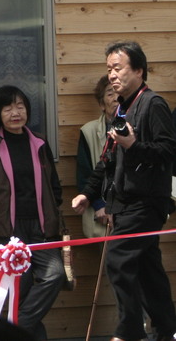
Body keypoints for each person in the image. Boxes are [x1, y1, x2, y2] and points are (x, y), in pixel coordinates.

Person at [72, 41, 176, 341]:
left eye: (118, 68)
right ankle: (167, 328)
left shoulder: (153, 104)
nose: (113, 75)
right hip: (124, 202)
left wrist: (134, 146)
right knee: (147, 269)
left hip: (146, 202)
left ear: (139, 71)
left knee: (118, 259)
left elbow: (168, 151)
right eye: (109, 69)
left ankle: (129, 330)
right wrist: (88, 194)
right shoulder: (122, 107)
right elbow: (107, 158)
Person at [0, 85, 65, 341]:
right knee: (24, 285)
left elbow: (54, 184)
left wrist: (54, 206)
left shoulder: (40, 143)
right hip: (10, 232)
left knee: (54, 275)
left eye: (20, 106)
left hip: (42, 228)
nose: (15, 112)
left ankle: (15, 332)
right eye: (8, 107)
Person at [77, 75, 119, 238]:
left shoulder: (139, 128)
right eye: (110, 93)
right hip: (102, 212)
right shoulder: (89, 131)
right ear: (102, 104)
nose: (116, 98)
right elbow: (84, 175)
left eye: (119, 92)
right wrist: (99, 205)